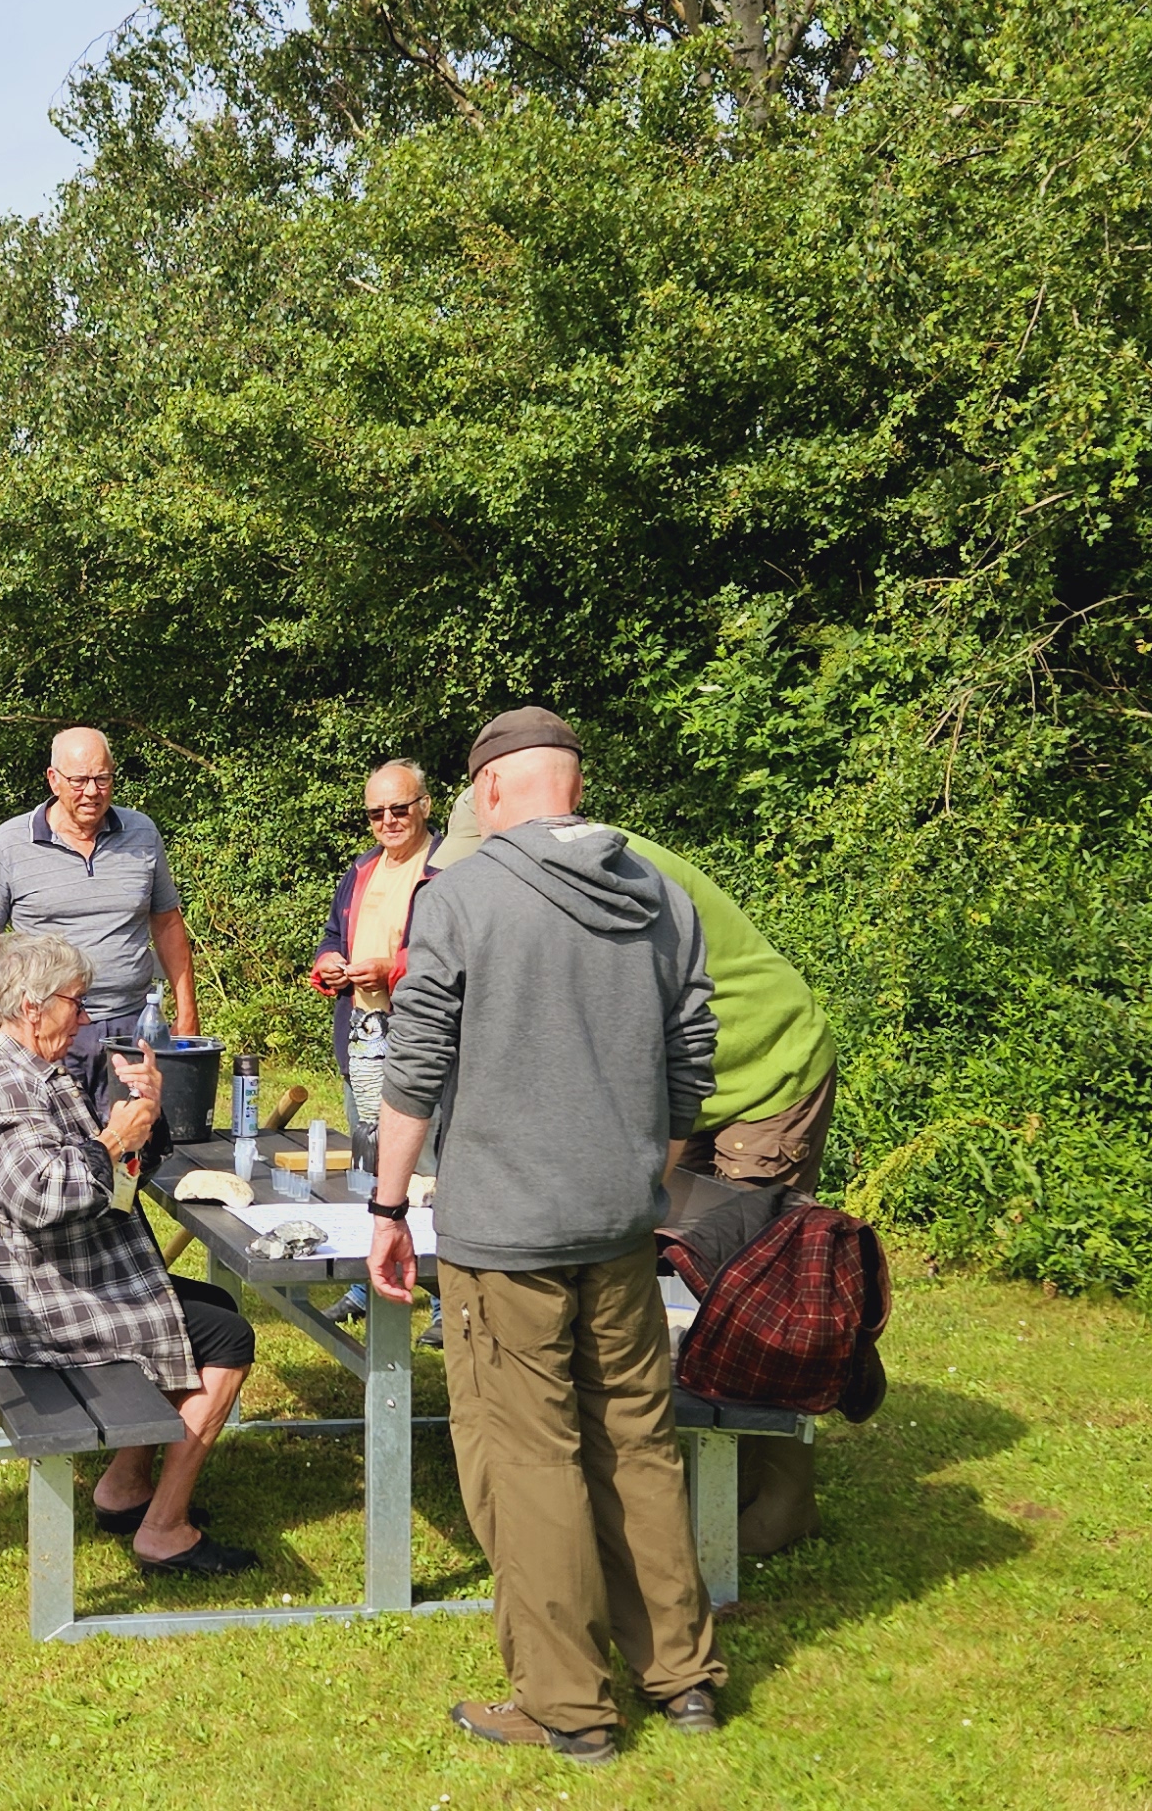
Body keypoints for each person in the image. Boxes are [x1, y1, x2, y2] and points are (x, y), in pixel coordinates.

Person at [368, 706, 726, 1760]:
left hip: (504, 1237)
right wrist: (640, 1181)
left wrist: (387, 1208)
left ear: (485, 793)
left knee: (525, 1460)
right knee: (635, 1442)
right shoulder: (660, 892)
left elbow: (416, 1062)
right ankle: (683, 1678)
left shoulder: (463, 894)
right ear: (571, 784)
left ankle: (567, 1705)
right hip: (619, 1221)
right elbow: (690, 1059)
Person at [435, 791, 843, 1554]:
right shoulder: (547, 876)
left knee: (749, 1286)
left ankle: (783, 1497)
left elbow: (637, 1025)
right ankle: (680, 1472)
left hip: (761, 1071)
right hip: (682, 1088)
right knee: (656, 1265)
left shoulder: (617, 874)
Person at [0, 932, 260, 1576]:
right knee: (225, 1336)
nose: (85, 1019)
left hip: (39, 1277)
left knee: (213, 1305)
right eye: (77, 1003)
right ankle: (163, 1529)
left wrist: (146, 1113)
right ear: (33, 1007)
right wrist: (115, 1137)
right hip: (31, 1307)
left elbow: (107, 1187)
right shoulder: (7, 1090)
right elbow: (48, 1197)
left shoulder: (32, 1072)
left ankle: (123, 1488)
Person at [0, 727, 198, 1111]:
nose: (92, 791)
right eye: (80, 780)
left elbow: (168, 925)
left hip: (131, 1028)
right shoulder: (10, 843)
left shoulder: (142, 833)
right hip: (46, 1032)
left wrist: (186, 1016)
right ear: (53, 780)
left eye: (103, 779)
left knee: (140, 1145)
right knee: (55, 1148)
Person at [315, 758, 442, 1150]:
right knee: (369, 1159)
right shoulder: (361, 868)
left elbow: (457, 956)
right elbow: (333, 935)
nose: (388, 820)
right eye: (376, 813)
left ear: (425, 805)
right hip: (361, 1041)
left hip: (423, 1045)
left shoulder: (449, 870)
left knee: (424, 1173)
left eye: (399, 808)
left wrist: (394, 970)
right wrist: (328, 964)